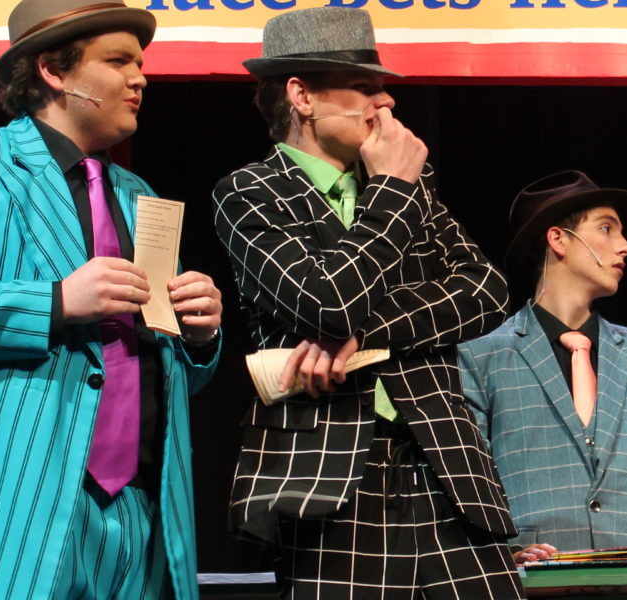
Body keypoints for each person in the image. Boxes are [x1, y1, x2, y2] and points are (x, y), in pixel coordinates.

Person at [0, 1, 222, 597]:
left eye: (140, 63)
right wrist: (55, 303)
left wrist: (197, 335)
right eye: (118, 62)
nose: (140, 78)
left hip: (135, 515)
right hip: (3, 499)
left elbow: (154, 376)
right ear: (54, 71)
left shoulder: (140, 196)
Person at [210, 7, 524, 598]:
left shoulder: (414, 184)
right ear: (302, 96)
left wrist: (364, 335)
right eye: (363, 87)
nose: (386, 104)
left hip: (444, 466)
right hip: (330, 480)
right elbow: (326, 303)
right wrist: (391, 192)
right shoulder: (251, 192)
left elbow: (486, 290)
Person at [457, 171, 627, 562]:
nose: (626, 246)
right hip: (532, 582)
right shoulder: (482, 356)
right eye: (607, 228)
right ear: (558, 239)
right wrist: (505, 551)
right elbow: (466, 474)